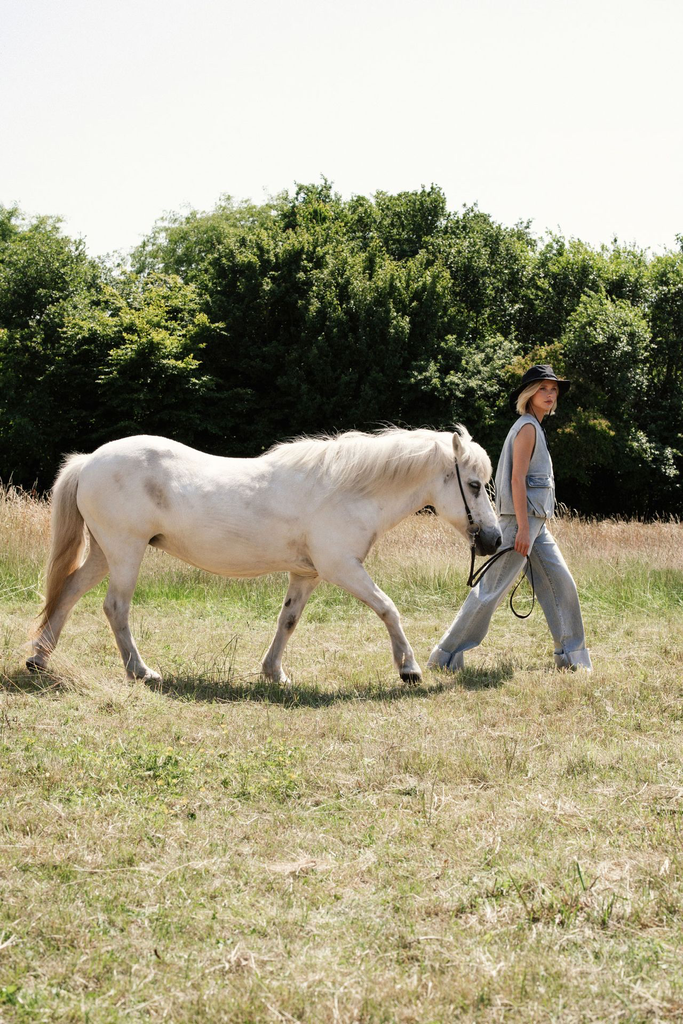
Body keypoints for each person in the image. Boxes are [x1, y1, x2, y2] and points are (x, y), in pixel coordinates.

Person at [428, 364, 592, 673]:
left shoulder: (533, 427)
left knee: (560, 584)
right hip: (522, 522)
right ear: (529, 394)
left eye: (553, 389)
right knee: (491, 590)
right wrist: (523, 528)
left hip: (533, 524)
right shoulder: (527, 428)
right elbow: (517, 480)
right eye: (543, 388)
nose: (550, 394)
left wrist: (531, 528)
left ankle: (572, 657)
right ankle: (445, 655)